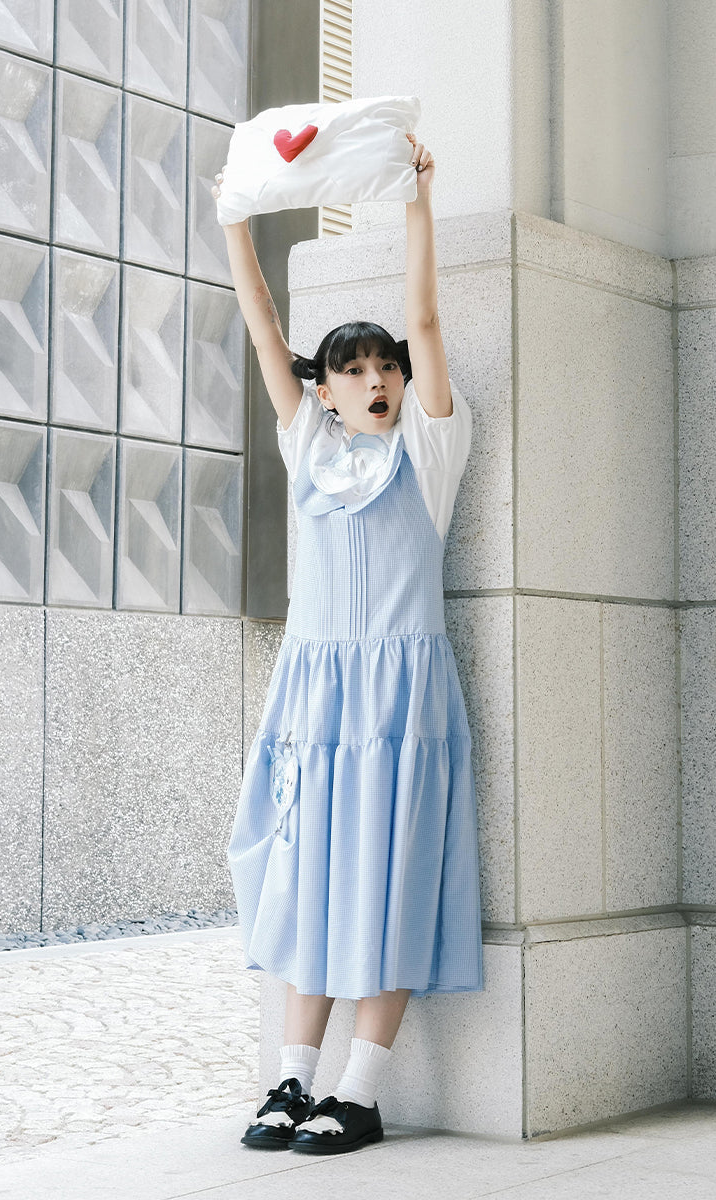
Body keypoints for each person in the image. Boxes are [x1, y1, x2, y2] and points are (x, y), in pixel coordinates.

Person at [212, 135, 483, 1156]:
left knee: (393, 877)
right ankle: (291, 1080)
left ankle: (359, 1092)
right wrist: (235, 219)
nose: (371, 378)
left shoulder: (431, 448)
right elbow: (262, 324)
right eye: (350, 368)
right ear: (320, 389)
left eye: (384, 369)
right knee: (310, 882)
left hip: (402, 695)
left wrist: (418, 197)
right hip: (317, 697)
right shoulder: (308, 447)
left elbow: (424, 316)